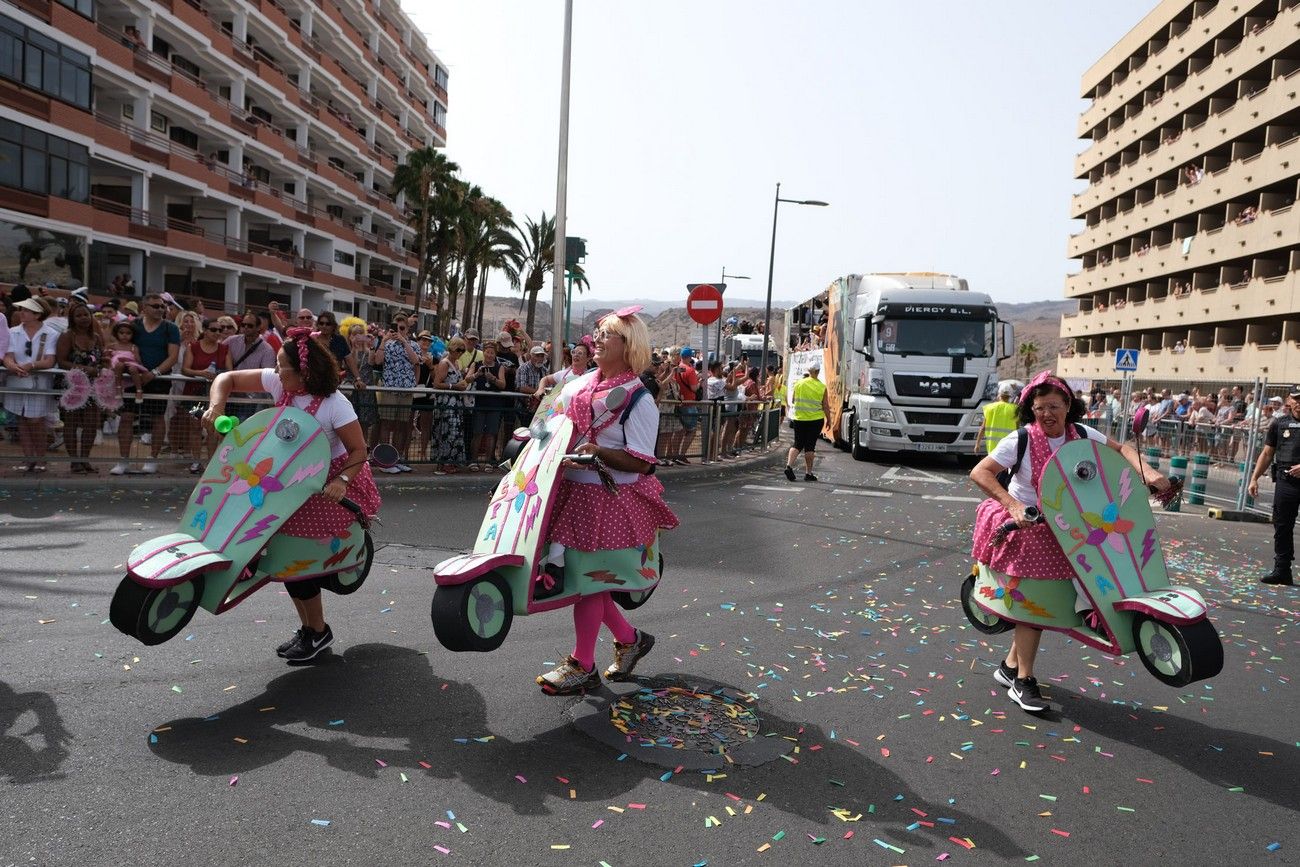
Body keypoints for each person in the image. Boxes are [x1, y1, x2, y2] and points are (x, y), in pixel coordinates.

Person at [969, 371, 1170, 712]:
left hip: (1071, 528)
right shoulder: (1021, 440)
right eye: (1038, 408)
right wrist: (1015, 506)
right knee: (1035, 605)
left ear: (1068, 406)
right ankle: (1023, 681)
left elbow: (1120, 449)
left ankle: (1009, 667)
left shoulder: (1082, 434)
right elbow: (980, 472)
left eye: (1053, 406)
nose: (1046, 414)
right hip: (1031, 530)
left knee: (1047, 602)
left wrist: (1149, 473)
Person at [203, 327, 381, 663]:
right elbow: (226, 378)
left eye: (282, 366)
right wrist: (216, 406)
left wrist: (342, 481)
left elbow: (359, 450)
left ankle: (317, 631)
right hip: (287, 481)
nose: (275, 371)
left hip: (327, 486)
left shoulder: (335, 405)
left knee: (296, 564)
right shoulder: (277, 383)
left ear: (305, 373)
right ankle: (310, 629)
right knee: (287, 565)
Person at [535, 309, 678, 695]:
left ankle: (582, 664)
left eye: (606, 335)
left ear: (628, 346)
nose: (595, 340)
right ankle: (631, 640)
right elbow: (549, 421)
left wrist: (597, 452)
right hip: (571, 494)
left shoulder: (639, 399)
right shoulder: (579, 386)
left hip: (610, 500)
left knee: (588, 583)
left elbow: (641, 463)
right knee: (588, 582)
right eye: (597, 333)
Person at [112, 294, 180, 475]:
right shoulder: (132, 326)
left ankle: (152, 459)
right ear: (144, 308)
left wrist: (154, 373)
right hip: (132, 377)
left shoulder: (170, 328)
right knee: (126, 417)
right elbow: (117, 341)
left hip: (159, 379)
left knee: (157, 417)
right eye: (156, 306)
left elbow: (173, 356)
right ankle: (123, 460)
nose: (160, 309)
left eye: (163, 306)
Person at [1248, 386, 1300, 586]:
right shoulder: (1280, 423)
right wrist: (1254, 478)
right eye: (1296, 398)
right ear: (1289, 400)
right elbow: (1267, 454)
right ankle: (1282, 570)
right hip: (1286, 481)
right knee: (1282, 526)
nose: (1299, 403)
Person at [3, 297, 59, 472]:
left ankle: (41, 459)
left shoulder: (51, 333)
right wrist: (13, 366)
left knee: (36, 420)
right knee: (22, 419)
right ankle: (28, 460)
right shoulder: (12, 331)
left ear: (37, 314)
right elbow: (8, 355)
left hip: (39, 383)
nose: (22, 313)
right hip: (17, 381)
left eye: (26, 310)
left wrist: (31, 365)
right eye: (22, 310)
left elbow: (49, 360)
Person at [179, 318, 231, 472]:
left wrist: (217, 375)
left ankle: (211, 462)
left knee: (213, 428)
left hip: (215, 395)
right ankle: (196, 461)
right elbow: (185, 369)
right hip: (193, 394)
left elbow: (230, 371)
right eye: (214, 329)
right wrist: (201, 373)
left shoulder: (224, 349)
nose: (217, 333)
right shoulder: (193, 347)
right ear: (205, 331)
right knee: (194, 427)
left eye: (220, 330)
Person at [375, 316, 419, 473]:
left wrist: (404, 341)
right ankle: (384, 460)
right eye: (396, 328)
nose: (398, 331)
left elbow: (415, 361)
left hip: (406, 390)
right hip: (390, 388)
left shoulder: (413, 344)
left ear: (407, 329)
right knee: (386, 424)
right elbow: (378, 361)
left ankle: (397, 458)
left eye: (402, 328)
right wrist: (383, 341)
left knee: (401, 426)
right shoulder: (386, 344)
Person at [221, 312, 278, 422]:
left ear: (258, 328)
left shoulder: (267, 350)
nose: (246, 328)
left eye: (250, 325)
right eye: (243, 325)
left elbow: (267, 376)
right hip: (229, 394)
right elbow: (217, 354)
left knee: (242, 428)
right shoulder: (231, 341)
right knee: (222, 428)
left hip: (250, 399)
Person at [428, 337, 470, 472]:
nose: (460, 352)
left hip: (455, 403)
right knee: (446, 432)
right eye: (458, 349)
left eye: (462, 350)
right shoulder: (444, 363)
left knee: (454, 432)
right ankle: (444, 462)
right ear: (452, 348)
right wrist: (454, 386)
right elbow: (437, 383)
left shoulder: (457, 364)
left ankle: (451, 461)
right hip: (446, 403)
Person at [784, 362, 830, 482]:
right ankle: (808, 473)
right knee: (810, 446)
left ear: (809, 371)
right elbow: (825, 405)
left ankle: (789, 466)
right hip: (815, 420)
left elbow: (793, 400)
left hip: (799, 419)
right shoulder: (822, 386)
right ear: (818, 372)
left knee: (797, 444)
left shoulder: (799, 383)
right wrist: (829, 419)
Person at [467, 341, 507, 470]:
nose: (489, 355)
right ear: (483, 352)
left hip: (494, 404)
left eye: (492, 353)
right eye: (487, 352)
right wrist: (477, 374)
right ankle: (473, 460)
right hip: (479, 403)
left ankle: (489, 461)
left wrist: (493, 379)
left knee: (491, 433)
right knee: (477, 432)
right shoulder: (476, 364)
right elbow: (467, 379)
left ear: (495, 354)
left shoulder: (499, 367)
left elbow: (503, 384)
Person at [975, 385, 1019, 454]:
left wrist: (977, 444)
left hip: (992, 448)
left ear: (999, 394)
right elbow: (1017, 430)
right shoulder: (1015, 409)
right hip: (1009, 447)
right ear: (1010, 396)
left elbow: (983, 428)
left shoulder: (989, 408)